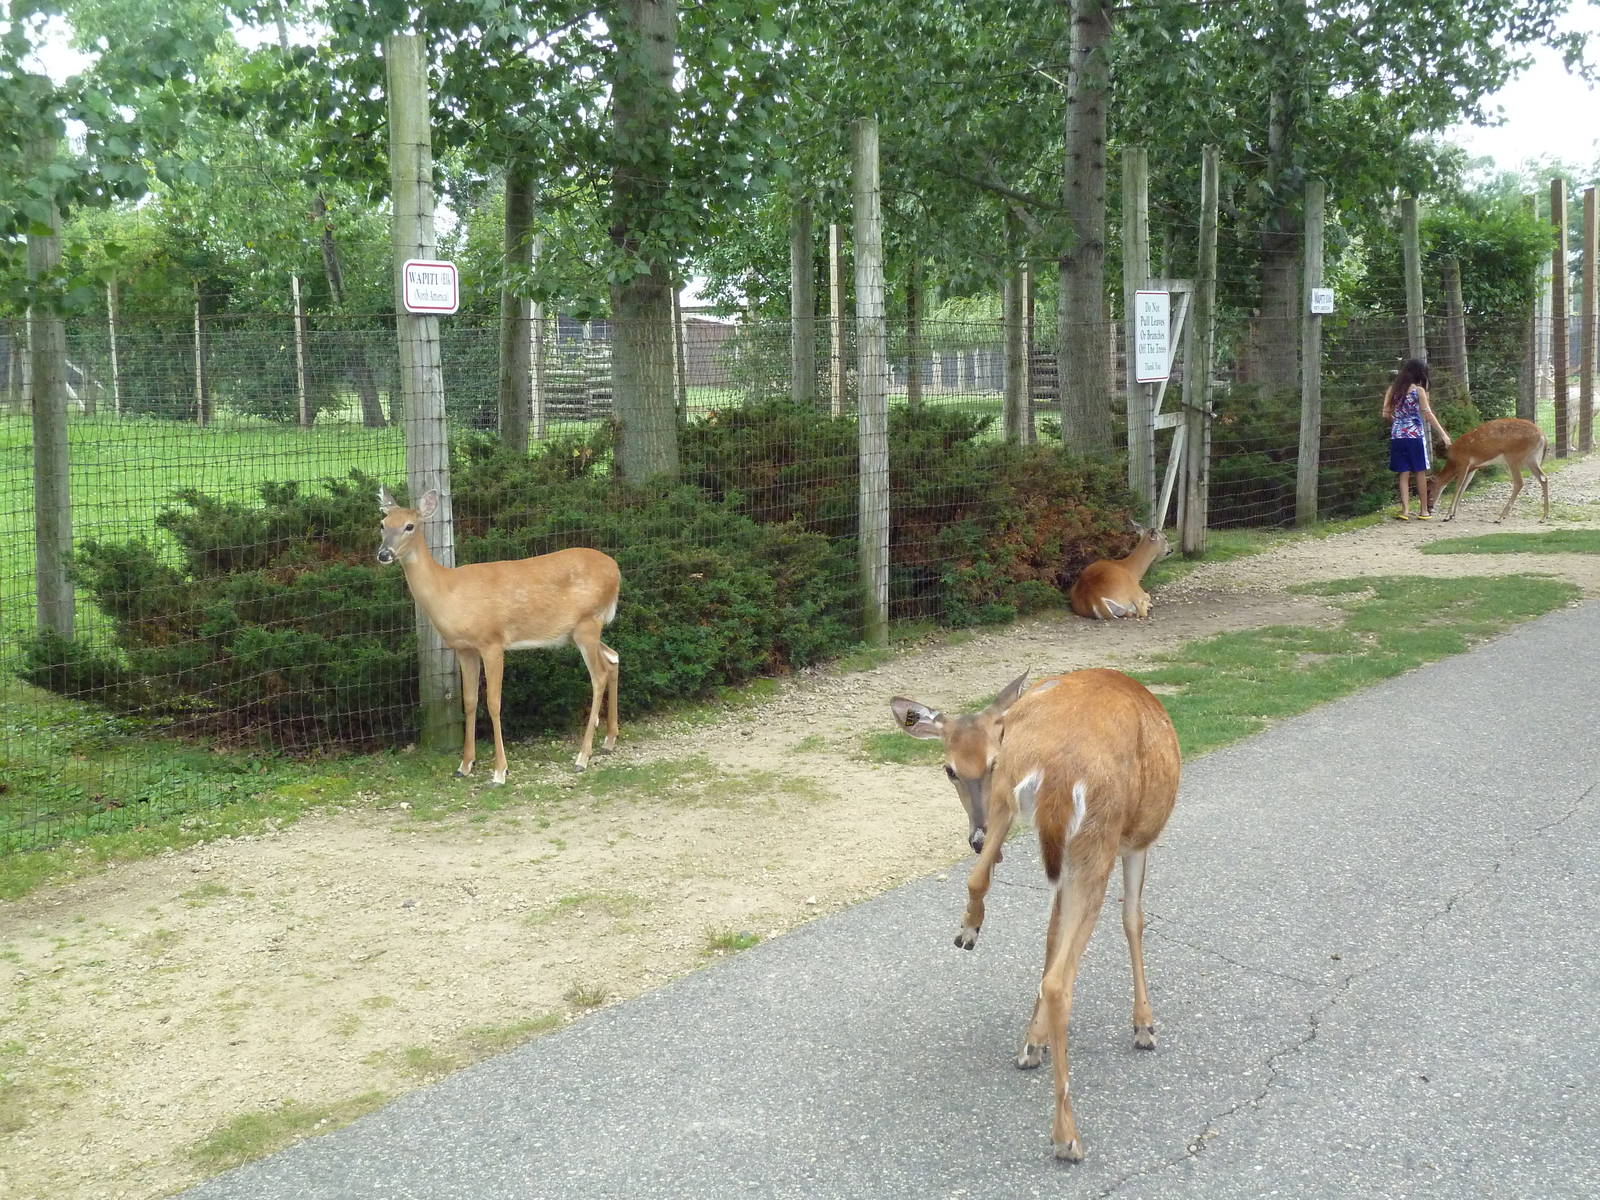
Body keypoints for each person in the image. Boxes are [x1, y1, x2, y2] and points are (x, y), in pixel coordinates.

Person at [1381, 358, 1451, 520]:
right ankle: (1424, 510)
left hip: (1398, 435)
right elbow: (1427, 414)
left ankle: (1405, 511)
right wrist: (1443, 434)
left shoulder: (1392, 389)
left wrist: (1398, 422)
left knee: (1403, 472)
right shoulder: (1418, 391)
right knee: (1420, 471)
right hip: (1415, 436)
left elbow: (1385, 413)